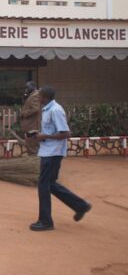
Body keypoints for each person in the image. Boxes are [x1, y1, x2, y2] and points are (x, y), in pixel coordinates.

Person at [29, 86, 92, 232]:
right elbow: (53, 131)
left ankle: (45, 221)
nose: (38, 99)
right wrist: (40, 134)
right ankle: (80, 205)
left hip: (53, 153)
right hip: (48, 152)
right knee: (50, 184)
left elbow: (65, 133)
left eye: (39, 96)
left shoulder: (55, 110)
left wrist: (44, 136)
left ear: (45, 97)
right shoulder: (48, 110)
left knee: (44, 185)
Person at [21, 81, 42, 154]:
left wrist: (24, 114)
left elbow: (35, 109)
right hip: (30, 125)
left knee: (33, 147)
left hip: (33, 126)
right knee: (30, 145)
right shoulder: (31, 95)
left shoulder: (35, 95)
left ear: (33, 87)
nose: (26, 89)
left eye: (28, 87)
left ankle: (35, 162)